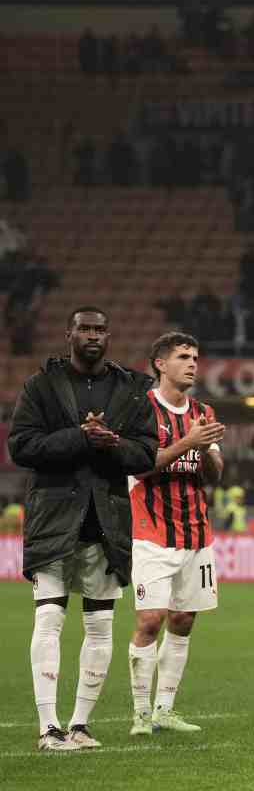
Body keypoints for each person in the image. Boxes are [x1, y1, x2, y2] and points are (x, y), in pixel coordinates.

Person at [8, 306, 157, 751]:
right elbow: (21, 446)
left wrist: (114, 444)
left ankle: (80, 724)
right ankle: (48, 726)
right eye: (84, 328)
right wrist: (80, 437)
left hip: (106, 519)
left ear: (108, 335)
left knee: (99, 625)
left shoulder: (130, 390)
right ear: (68, 333)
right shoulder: (40, 386)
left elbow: (147, 454)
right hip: (54, 518)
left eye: (100, 329)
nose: (93, 335)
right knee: (50, 616)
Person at [127, 332, 225, 736]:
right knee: (150, 619)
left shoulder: (203, 410)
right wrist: (188, 442)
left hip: (196, 534)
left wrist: (202, 451)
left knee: (184, 619)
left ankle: (165, 709)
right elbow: (138, 465)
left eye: (196, 357)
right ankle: (140, 714)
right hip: (150, 532)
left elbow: (216, 476)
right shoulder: (140, 411)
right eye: (183, 357)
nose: (192, 364)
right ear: (160, 364)